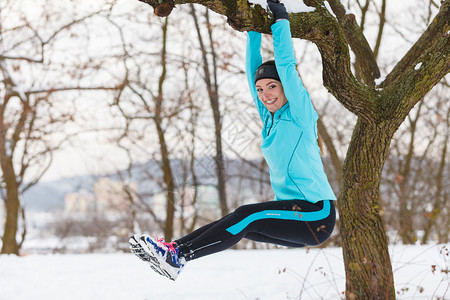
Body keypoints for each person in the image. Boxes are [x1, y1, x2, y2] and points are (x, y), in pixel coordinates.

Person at [129, 0, 337, 281]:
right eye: (261, 89)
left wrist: (281, 20)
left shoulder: (301, 114)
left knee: (245, 214)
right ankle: (174, 250)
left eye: (272, 86)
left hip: (316, 214)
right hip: (294, 213)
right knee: (240, 222)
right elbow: (252, 70)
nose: (265, 94)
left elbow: (287, 65)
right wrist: (252, 28)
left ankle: (178, 256)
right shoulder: (270, 120)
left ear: (286, 87)